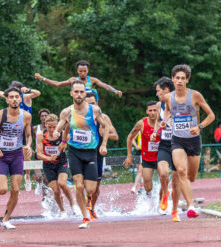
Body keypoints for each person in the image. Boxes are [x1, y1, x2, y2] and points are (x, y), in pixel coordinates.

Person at [161, 64, 215, 218]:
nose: (179, 81)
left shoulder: (195, 96)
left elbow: (211, 115)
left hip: (194, 140)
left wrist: (199, 127)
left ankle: (188, 198)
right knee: (180, 171)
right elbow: (167, 112)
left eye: (182, 78)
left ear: (187, 81)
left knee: (191, 176)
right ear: (172, 79)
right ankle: (191, 206)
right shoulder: (168, 97)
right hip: (177, 139)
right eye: (177, 78)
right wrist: (165, 121)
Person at [54, 80, 109, 229]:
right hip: (74, 152)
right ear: (71, 93)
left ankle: (86, 201)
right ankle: (85, 217)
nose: (79, 95)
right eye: (76, 92)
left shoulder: (95, 110)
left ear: (85, 93)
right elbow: (61, 125)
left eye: (81, 92)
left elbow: (106, 126)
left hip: (91, 152)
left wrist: (103, 144)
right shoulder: (67, 111)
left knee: (90, 189)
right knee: (78, 186)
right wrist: (57, 132)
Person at [0, 87, 32, 229]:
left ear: (20, 99)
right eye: (12, 97)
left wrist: (28, 145)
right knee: (3, 190)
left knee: (15, 190)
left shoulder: (26, 116)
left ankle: (6, 219)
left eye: (17, 97)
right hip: (2, 156)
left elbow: (28, 135)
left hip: (16, 155)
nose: (15, 99)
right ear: (7, 99)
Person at [0, 81, 39, 190]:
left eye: (16, 95)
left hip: (23, 124)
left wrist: (27, 89)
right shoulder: (9, 97)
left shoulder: (26, 96)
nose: (14, 98)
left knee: (27, 152)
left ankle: (27, 176)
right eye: (11, 95)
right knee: (6, 153)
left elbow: (38, 93)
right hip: (10, 124)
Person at [84, 92, 118, 221]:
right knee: (82, 184)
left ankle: (91, 208)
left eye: (92, 103)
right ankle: (83, 210)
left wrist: (104, 133)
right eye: (87, 104)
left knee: (95, 187)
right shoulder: (79, 117)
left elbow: (115, 136)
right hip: (82, 153)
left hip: (97, 155)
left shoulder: (104, 118)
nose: (90, 106)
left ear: (97, 104)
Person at [150, 76, 181, 220]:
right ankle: (164, 193)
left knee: (176, 180)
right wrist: (155, 132)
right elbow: (158, 121)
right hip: (164, 144)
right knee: (162, 173)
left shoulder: (180, 103)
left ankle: (174, 209)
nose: (157, 94)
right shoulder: (158, 105)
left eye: (158, 91)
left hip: (178, 144)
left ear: (166, 90)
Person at [36, 114, 75, 217]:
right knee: (56, 190)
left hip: (61, 163)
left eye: (54, 127)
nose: (52, 129)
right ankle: (63, 211)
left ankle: (73, 205)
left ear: (58, 125)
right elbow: (39, 154)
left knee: (62, 183)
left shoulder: (62, 134)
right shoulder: (41, 135)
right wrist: (49, 158)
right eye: (49, 127)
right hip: (48, 165)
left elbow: (65, 144)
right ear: (45, 125)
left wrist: (63, 142)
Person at [123, 101, 161, 208]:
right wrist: (129, 155)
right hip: (147, 158)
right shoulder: (141, 123)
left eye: (155, 110)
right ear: (147, 111)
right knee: (147, 185)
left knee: (163, 176)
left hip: (161, 156)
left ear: (159, 111)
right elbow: (129, 137)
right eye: (150, 110)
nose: (153, 113)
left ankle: (163, 200)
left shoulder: (163, 122)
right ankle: (149, 197)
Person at [35, 60, 122, 101]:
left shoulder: (92, 80)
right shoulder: (73, 80)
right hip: (78, 106)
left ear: (88, 71)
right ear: (77, 71)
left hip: (92, 107)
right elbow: (58, 84)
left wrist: (115, 91)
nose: (83, 73)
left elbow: (106, 86)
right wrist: (42, 78)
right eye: (81, 71)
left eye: (85, 71)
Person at [31, 108, 50, 194]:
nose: (44, 117)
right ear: (40, 118)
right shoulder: (35, 128)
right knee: (38, 176)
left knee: (46, 178)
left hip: (48, 155)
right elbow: (29, 139)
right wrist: (30, 148)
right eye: (42, 116)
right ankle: (38, 183)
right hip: (38, 154)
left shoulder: (52, 128)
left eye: (46, 115)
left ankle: (44, 195)